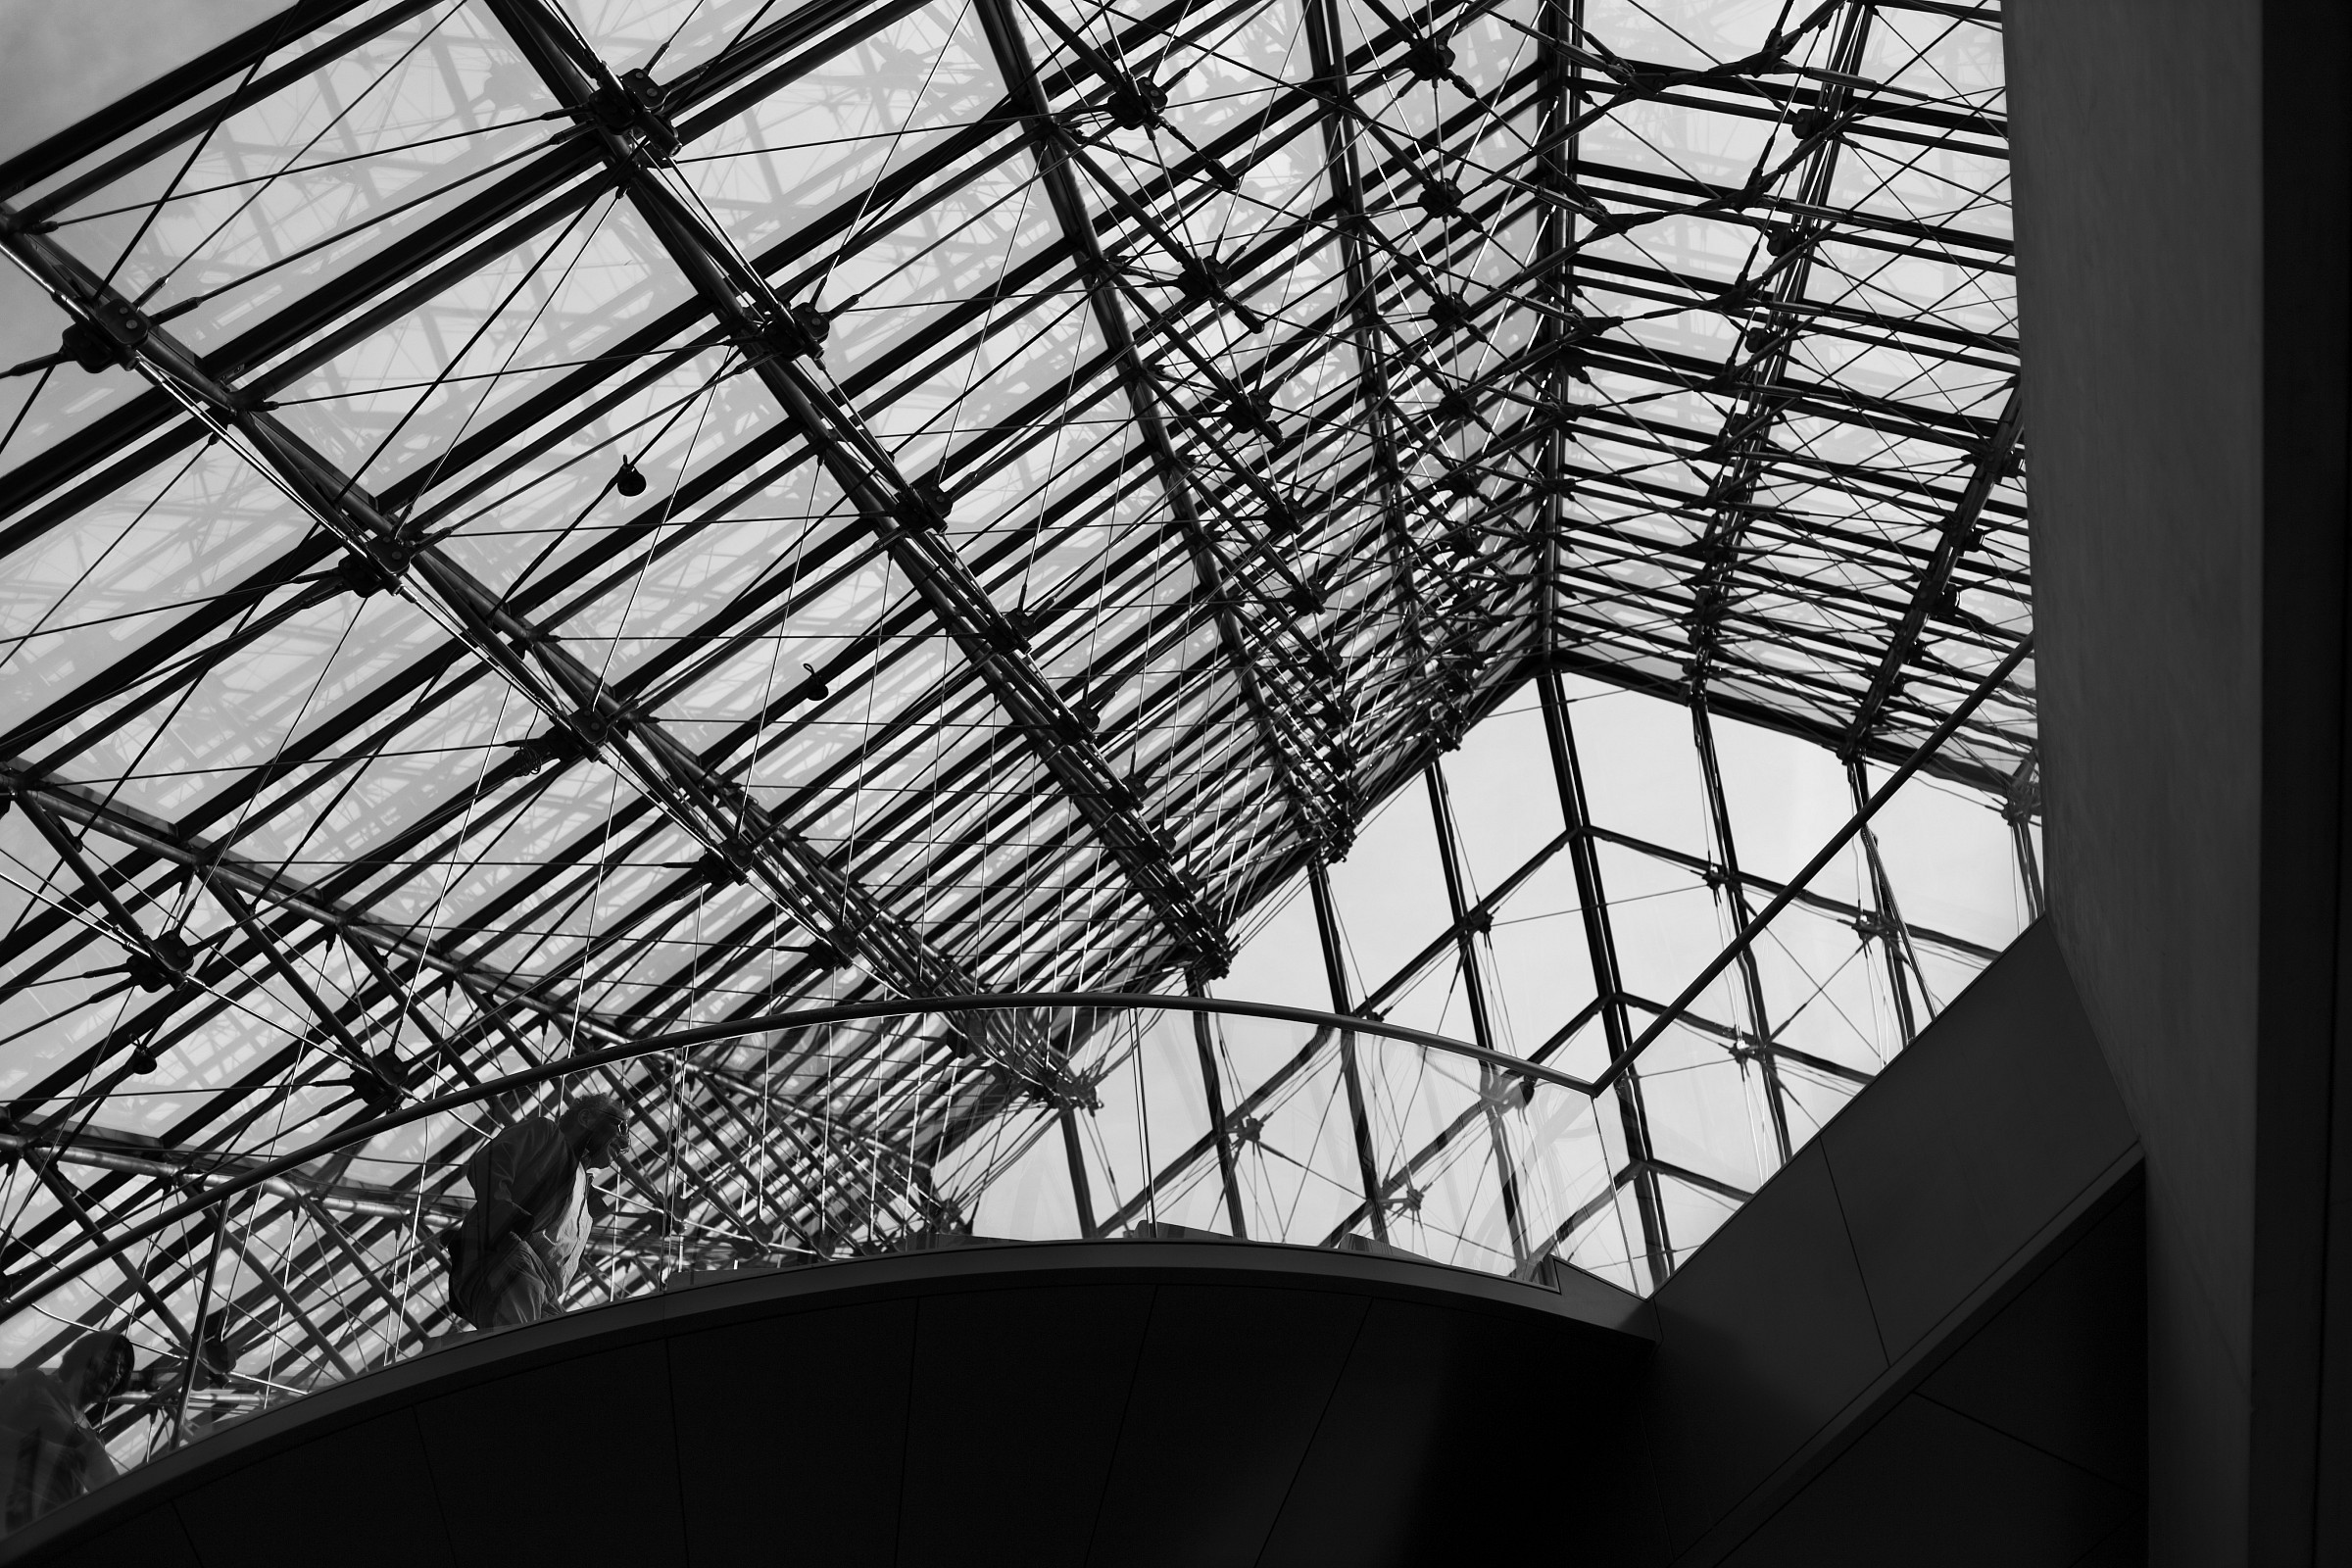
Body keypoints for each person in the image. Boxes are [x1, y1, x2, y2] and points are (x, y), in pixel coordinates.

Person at [445, 1095, 624, 1330]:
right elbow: (491, 1162)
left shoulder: (582, 1185)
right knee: (520, 1343)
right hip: (511, 1256)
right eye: (620, 1127)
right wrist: (505, 1218)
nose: (625, 1143)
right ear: (586, 1118)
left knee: (552, 1344)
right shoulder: (547, 1134)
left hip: (545, 1287)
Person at [0, 1331, 131, 1536]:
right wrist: (46, 1450)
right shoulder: (36, 1384)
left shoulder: (94, 1439)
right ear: (84, 1357)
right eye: (109, 1361)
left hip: (49, 1531)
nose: (115, 1372)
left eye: (122, 1370)